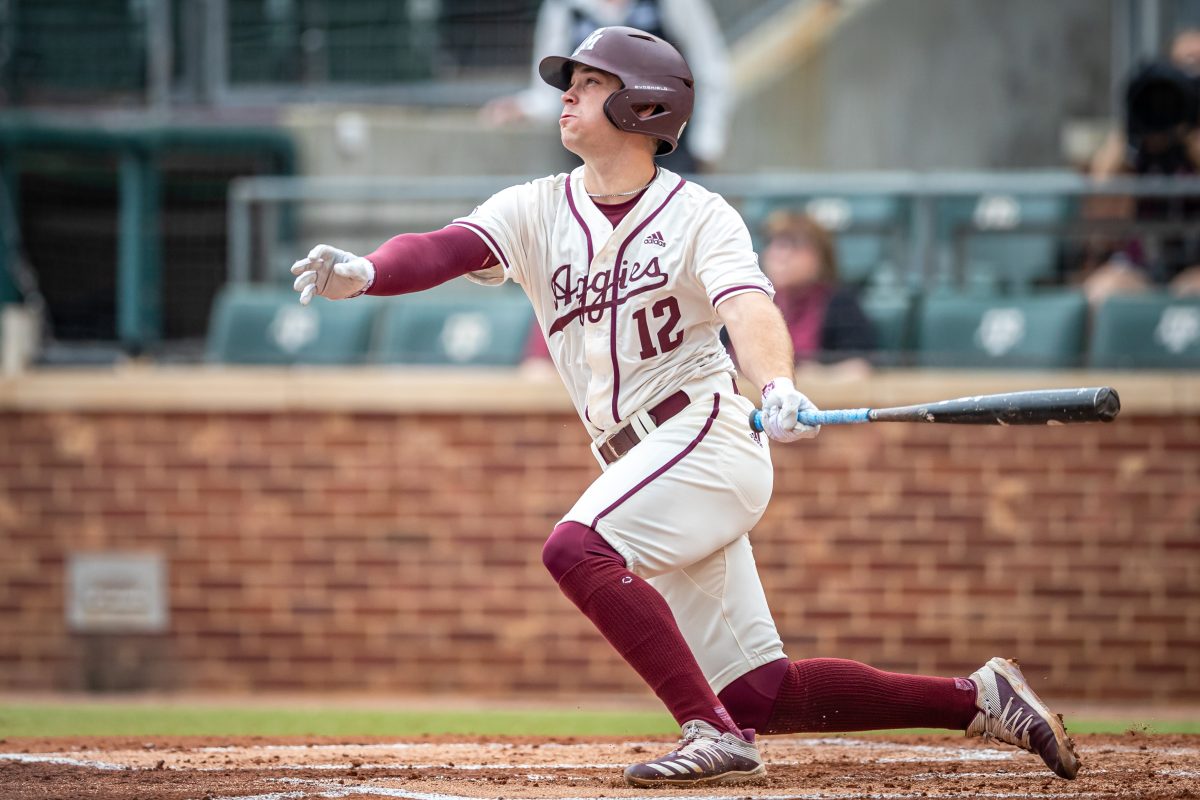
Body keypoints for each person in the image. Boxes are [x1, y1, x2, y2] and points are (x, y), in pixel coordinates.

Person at [291, 27, 1080, 787]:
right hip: (641, 462)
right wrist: (365, 271)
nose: (567, 97)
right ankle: (980, 698)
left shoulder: (701, 216)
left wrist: (774, 384)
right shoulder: (536, 206)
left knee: (576, 549)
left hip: (702, 434)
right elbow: (444, 247)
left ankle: (707, 735)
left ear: (643, 107)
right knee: (763, 692)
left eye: (591, 84)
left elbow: (749, 309)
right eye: (571, 84)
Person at [481, 0, 731, 173]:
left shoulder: (670, 5)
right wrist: (524, 107)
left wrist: (706, 143)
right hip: (595, 147)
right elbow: (548, 91)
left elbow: (710, 69)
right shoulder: (565, 7)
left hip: (665, 145)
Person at [1080, 27, 1200, 304]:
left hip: (1195, 265)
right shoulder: (1142, 136)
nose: (1193, 75)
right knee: (1100, 293)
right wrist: (1131, 134)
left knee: (1193, 292)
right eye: (1186, 63)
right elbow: (1099, 229)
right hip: (1142, 264)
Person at [760, 209, 876, 376]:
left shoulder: (840, 304)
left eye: (793, 245)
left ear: (820, 256)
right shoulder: (750, 300)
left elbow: (860, 368)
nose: (779, 255)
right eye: (773, 243)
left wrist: (818, 374)